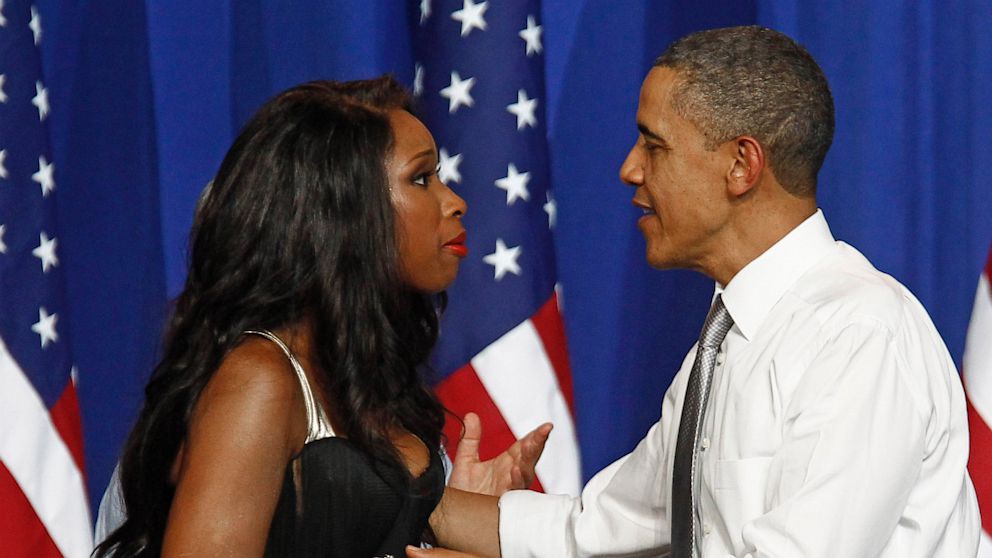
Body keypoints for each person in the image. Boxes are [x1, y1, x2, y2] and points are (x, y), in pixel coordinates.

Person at [413, 25, 980, 557]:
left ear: (742, 165)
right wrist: (389, 501)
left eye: (653, 145)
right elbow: (589, 532)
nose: (629, 170)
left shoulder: (859, 335)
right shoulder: (727, 340)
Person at [93, 76, 549, 557]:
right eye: (421, 178)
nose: (456, 201)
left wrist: (449, 517)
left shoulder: (378, 387)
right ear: (345, 211)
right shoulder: (261, 378)